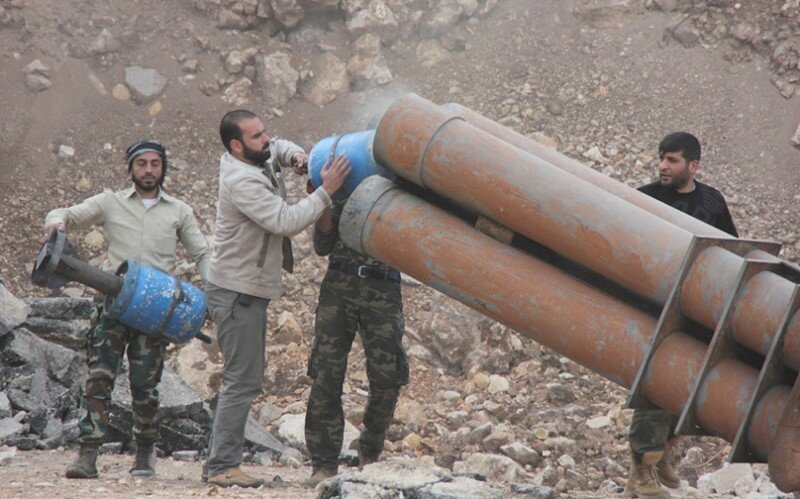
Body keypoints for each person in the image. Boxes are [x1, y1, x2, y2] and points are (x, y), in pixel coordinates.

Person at [45, 140, 211, 479]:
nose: (149, 170)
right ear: (131, 168)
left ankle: (145, 453)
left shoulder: (179, 210)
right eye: (142, 164)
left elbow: (202, 254)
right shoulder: (110, 203)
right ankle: (87, 455)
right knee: (99, 377)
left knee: (144, 385)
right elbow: (68, 214)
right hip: (113, 304)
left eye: (155, 164)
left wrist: (214, 291)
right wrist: (56, 221)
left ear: (163, 168)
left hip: (155, 309)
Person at [203, 110, 350, 488]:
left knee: (245, 377)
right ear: (237, 146)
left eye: (264, 131)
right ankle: (221, 465)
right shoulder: (241, 181)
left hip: (249, 288)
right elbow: (285, 220)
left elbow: (279, 148)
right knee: (242, 380)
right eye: (256, 136)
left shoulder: (257, 155)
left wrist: (298, 157)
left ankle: (223, 461)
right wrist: (326, 191)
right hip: (237, 291)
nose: (266, 139)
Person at [626, 132, 738, 498]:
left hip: (696, 313)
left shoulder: (712, 202)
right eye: (661, 157)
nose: (662, 165)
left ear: (693, 166)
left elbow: (732, 253)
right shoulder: (645, 198)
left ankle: (661, 455)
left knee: (686, 386)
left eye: (672, 160)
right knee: (655, 385)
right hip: (655, 310)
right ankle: (640, 471)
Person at [303, 184, 408, 486]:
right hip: (340, 283)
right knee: (327, 373)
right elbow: (323, 245)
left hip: (384, 288)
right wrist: (323, 196)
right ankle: (323, 464)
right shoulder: (349, 179)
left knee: (388, 376)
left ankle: (369, 452)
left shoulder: (403, 189)